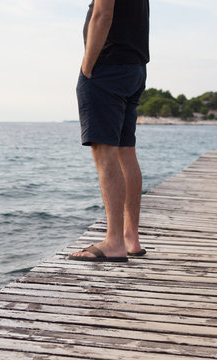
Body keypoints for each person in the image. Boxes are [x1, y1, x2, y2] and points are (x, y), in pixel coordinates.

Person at [69, 0, 149, 262]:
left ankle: (114, 241)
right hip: (134, 67)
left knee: (105, 153)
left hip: (108, 67)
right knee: (126, 152)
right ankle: (130, 238)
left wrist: (87, 67)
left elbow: (102, 15)